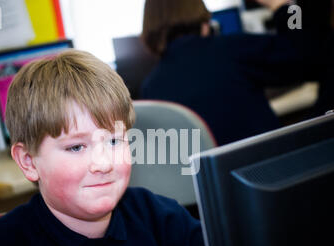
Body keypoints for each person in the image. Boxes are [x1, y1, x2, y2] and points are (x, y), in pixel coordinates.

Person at [0, 50, 211, 246]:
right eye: (76, 147)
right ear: (28, 161)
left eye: (114, 141)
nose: (103, 163)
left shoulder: (163, 219)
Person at [141, 0, 334, 146]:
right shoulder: (228, 50)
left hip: (213, 192)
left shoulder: (149, 87)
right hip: (269, 176)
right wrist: (284, 7)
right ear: (205, 21)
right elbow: (310, 53)